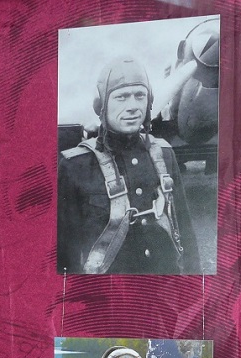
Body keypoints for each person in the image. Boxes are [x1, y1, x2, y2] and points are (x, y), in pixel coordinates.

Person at [57, 57, 200, 275]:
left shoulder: (164, 154)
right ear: (101, 105)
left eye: (140, 96)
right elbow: (65, 257)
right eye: (121, 97)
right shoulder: (76, 166)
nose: (133, 106)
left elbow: (186, 235)